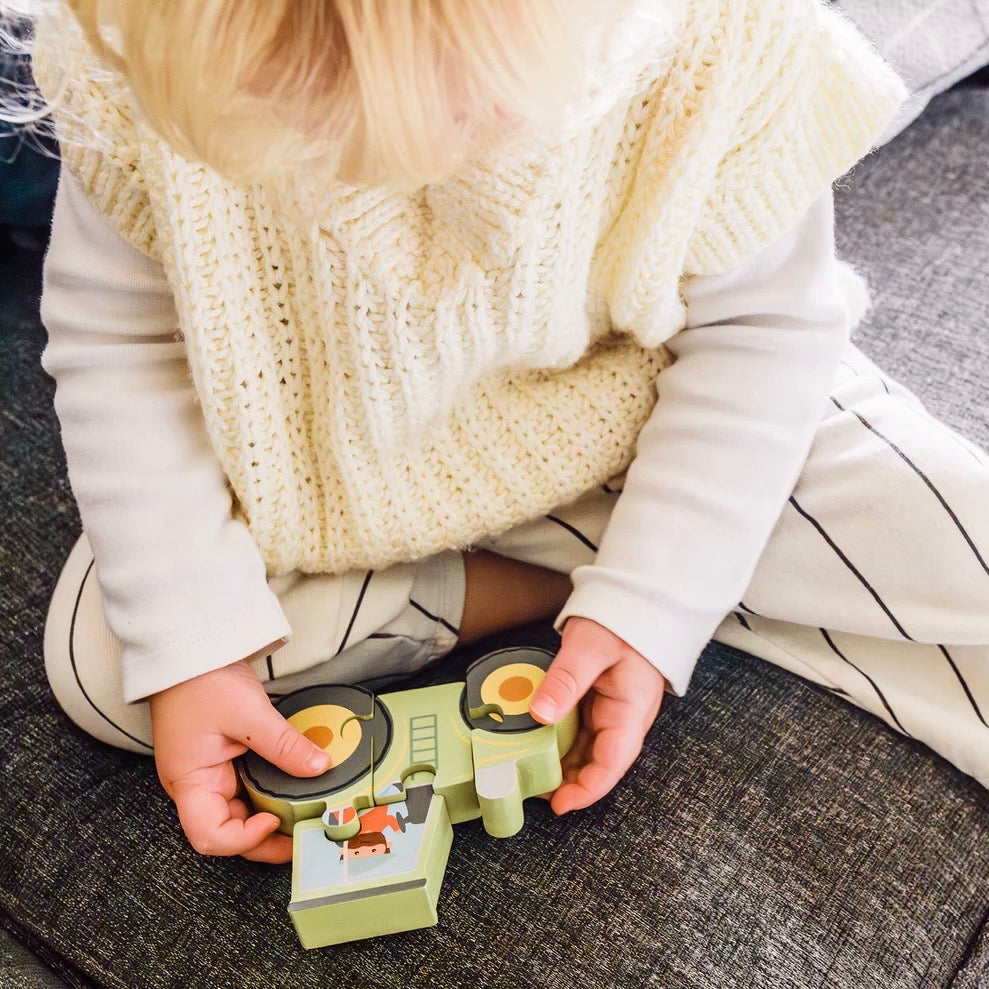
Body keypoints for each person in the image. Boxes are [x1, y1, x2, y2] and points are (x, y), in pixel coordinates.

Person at [22, 0, 989, 868]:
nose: (374, 172)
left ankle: (670, 575)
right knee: (108, 665)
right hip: (327, 469)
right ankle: (616, 585)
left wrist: (651, 598)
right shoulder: (129, 56)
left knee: (960, 540)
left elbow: (763, 336)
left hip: (648, 415)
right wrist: (193, 646)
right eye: (295, 115)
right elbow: (120, 343)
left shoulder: (723, 47)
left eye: (465, 119)